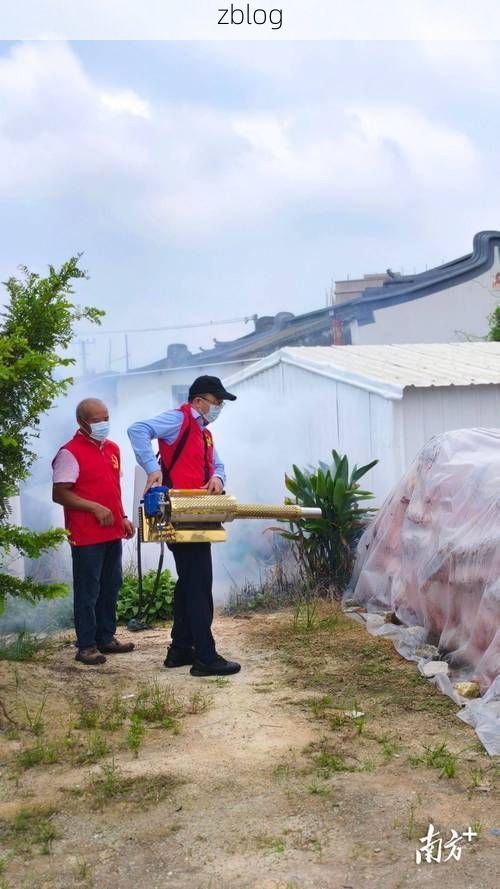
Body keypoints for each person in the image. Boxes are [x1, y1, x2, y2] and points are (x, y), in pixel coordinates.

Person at [127, 375, 241, 677]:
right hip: (178, 513)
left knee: (189, 582)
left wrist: (217, 478)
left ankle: (180, 649)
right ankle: (206, 657)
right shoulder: (178, 420)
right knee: (199, 584)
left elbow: (218, 464)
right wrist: (152, 469)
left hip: (199, 513)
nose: (218, 408)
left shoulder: (204, 433)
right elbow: (137, 429)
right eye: (216, 402)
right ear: (198, 401)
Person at [52, 398, 136, 666]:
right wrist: (93, 507)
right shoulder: (69, 453)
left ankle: (105, 637)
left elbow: (112, 488)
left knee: (111, 586)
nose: (103, 424)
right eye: (96, 420)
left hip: (111, 532)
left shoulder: (112, 448)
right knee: (88, 591)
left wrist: (122, 516)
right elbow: (59, 494)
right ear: (82, 422)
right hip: (86, 534)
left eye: (106, 418)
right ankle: (86, 646)